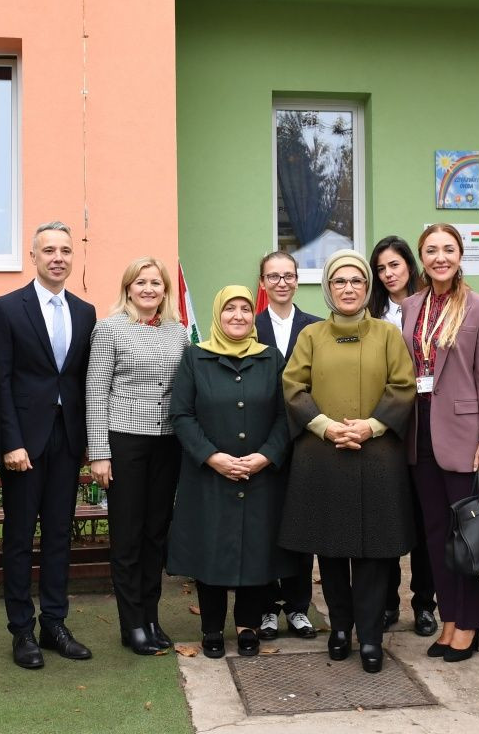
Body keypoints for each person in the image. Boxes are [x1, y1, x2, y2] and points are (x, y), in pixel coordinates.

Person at [279, 250, 416, 674]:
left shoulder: (388, 335)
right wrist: (325, 426)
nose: (349, 288)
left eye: (357, 280)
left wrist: (370, 427)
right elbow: (293, 385)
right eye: (340, 281)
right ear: (328, 289)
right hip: (324, 456)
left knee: (376, 555)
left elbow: (403, 385)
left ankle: (371, 637)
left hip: (377, 456)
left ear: (368, 286)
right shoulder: (311, 336)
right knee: (332, 551)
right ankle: (340, 629)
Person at [0, 222, 97, 669]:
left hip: (67, 438)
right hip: (24, 444)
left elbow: (83, 380)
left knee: (57, 535)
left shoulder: (85, 311)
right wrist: (10, 442)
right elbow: (1, 380)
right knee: (18, 538)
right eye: (48, 250)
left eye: (65, 250)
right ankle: (21, 630)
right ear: (33, 256)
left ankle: (54, 622)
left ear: (74, 257)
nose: (58, 257)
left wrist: (91, 442)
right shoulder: (7, 308)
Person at [168, 286, 294, 658]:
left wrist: (266, 456)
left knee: (256, 550)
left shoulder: (272, 359)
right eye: (229, 309)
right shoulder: (195, 357)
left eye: (244, 309)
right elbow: (181, 414)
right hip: (209, 475)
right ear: (218, 315)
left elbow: (286, 415)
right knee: (211, 549)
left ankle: (247, 626)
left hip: (260, 475)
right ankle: (211, 629)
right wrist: (211, 456)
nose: (238, 316)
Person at [399, 224, 479, 663]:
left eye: (448, 249)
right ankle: (448, 620)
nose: (440, 257)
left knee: (468, 535)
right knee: (437, 535)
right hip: (418, 432)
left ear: (460, 255)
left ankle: (470, 624)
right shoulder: (410, 306)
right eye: (431, 250)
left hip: (463, 435)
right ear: (422, 258)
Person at [86, 256, 190, 655]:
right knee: (128, 537)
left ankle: (151, 616)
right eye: (141, 282)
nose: (149, 289)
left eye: (156, 283)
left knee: (155, 536)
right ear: (128, 288)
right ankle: (132, 625)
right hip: (125, 440)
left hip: (168, 443)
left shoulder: (177, 332)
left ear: (165, 290)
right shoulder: (110, 329)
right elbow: (95, 391)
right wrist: (99, 452)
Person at [368, 235, 436, 637]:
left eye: (394, 264)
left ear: (409, 266)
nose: (389, 273)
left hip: (426, 424)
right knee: (389, 520)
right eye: (381, 268)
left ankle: (425, 604)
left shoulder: (431, 306)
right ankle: (388, 602)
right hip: (383, 427)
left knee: (427, 519)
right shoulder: (370, 312)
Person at [252, 251, 320, 641]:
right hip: (259, 440)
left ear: (297, 280)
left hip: (303, 438)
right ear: (262, 282)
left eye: (288, 276)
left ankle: (297, 607)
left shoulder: (316, 327)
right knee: (263, 526)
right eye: (273, 276)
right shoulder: (248, 324)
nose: (281, 282)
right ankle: (265, 609)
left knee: (300, 523)